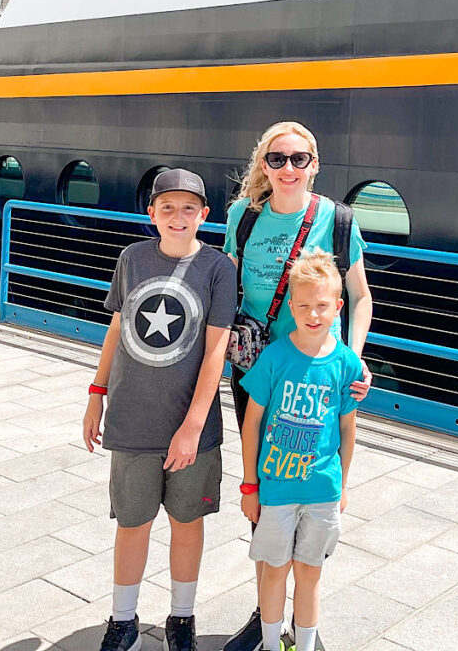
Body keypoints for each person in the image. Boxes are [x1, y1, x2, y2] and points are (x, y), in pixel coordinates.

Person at [222, 121, 373, 651]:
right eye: (278, 159)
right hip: (256, 369)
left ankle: (301, 621)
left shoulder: (338, 219)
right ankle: (264, 614)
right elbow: (227, 288)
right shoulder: (243, 217)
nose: (289, 169)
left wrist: (352, 358)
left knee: (311, 473)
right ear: (264, 165)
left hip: (319, 371)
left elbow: (360, 294)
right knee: (264, 489)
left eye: (299, 159)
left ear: (315, 163)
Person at [82, 168, 237, 651]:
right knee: (132, 523)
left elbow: (216, 351)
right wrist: (96, 392)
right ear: (151, 213)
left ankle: (182, 618)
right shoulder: (131, 258)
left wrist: (192, 426)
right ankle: (122, 620)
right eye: (166, 207)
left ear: (204, 215)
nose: (177, 216)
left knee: (187, 524)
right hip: (131, 419)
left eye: (188, 208)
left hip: (192, 428)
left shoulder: (218, 268)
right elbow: (115, 327)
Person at [239, 249, 361, 651]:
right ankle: (272, 644)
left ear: (338, 307)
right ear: (290, 306)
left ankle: (304, 645)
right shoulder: (275, 357)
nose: (313, 314)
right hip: (276, 490)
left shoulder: (345, 363)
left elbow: (347, 427)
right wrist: (250, 485)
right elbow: (252, 421)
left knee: (310, 575)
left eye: (323, 306)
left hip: (322, 491)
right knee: (274, 572)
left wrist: (343, 485)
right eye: (304, 305)